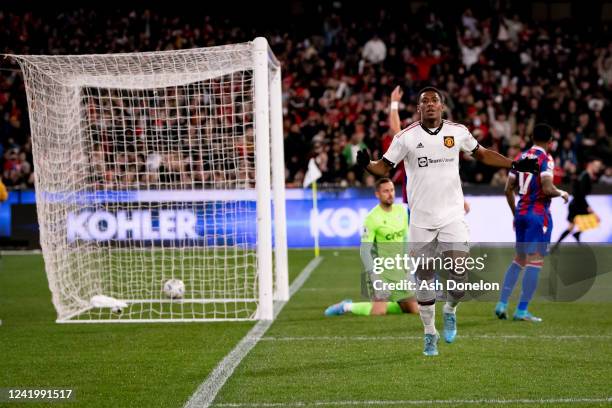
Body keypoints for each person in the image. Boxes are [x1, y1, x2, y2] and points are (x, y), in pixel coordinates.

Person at [356, 86, 539, 356]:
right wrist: (367, 164)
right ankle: (430, 333)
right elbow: (384, 166)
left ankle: (450, 310)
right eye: (424, 102)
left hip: (452, 216)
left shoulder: (458, 131)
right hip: (421, 221)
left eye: (434, 101)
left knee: (460, 274)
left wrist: (514, 164)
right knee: (425, 278)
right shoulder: (406, 137)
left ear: (442, 106)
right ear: (418, 109)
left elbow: (483, 153)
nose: (430, 104)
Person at [495, 124, 569, 322]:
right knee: (535, 261)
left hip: (521, 214)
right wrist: (561, 192)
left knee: (519, 259)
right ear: (550, 142)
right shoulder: (546, 159)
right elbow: (547, 188)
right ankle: (521, 310)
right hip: (538, 215)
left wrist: (515, 214)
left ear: (531, 138)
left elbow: (507, 189)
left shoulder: (519, 158)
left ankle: (501, 304)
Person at [324, 178, 418, 317]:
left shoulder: (402, 212)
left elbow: (405, 240)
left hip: (399, 270)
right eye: (386, 191)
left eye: (392, 190)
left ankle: (392, 303)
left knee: (415, 310)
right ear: (377, 194)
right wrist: (374, 276)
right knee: (378, 312)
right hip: (381, 271)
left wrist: (408, 269)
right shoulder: (372, 218)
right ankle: (346, 306)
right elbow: (365, 251)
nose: (390, 194)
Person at [552, 158, 603, 247]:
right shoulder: (585, 176)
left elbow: (579, 191)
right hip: (577, 205)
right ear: (590, 165)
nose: (598, 168)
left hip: (577, 204)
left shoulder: (586, 176)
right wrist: (588, 207)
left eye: (598, 166)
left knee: (572, 227)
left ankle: (559, 243)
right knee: (595, 219)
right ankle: (567, 239)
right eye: (596, 166)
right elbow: (580, 193)